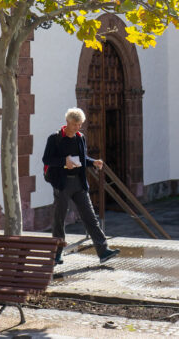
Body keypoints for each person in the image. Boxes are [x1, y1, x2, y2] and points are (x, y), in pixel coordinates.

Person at [42, 107, 120, 265]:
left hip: (79, 183)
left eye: (80, 124)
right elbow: (47, 159)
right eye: (75, 124)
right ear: (67, 122)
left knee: (90, 217)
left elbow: (82, 158)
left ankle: (103, 251)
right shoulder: (54, 138)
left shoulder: (80, 138)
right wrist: (64, 162)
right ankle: (56, 254)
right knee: (59, 220)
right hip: (62, 184)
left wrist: (93, 162)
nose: (77, 127)